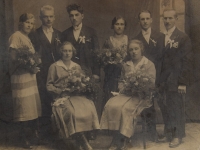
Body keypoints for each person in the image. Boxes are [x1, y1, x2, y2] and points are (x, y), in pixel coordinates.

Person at [100, 40, 156, 150]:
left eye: (136, 49)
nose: (134, 52)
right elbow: (121, 81)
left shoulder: (148, 64)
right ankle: (116, 137)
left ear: (141, 50)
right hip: (126, 94)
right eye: (131, 50)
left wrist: (138, 87)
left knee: (126, 109)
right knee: (112, 105)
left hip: (142, 96)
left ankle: (123, 138)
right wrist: (123, 87)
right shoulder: (126, 65)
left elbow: (151, 83)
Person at [46, 41, 100, 150]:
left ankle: (83, 139)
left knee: (89, 106)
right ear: (61, 52)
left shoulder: (76, 66)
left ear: (72, 52)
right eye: (65, 51)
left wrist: (80, 86)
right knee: (71, 112)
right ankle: (82, 141)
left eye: (69, 51)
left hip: (76, 96)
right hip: (62, 97)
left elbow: (81, 82)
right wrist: (61, 90)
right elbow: (49, 86)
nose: (67, 53)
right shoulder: (55, 66)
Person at [158, 9, 192, 148]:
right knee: (165, 106)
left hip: (176, 78)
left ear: (176, 19)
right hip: (163, 79)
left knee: (176, 107)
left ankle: (177, 136)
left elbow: (187, 61)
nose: (167, 21)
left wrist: (183, 82)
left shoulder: (183, 37)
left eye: (170, 18)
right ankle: (168, 132)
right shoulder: (161, 37)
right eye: (165, 18)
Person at [8, 13, 41, 149]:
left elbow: (29, 57)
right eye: (27, 22)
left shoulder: (27, 38)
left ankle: (32, 137)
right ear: (21, 23)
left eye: (32, 23)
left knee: (31, 106)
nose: (29, 25)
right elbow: (13, 58)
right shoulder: (16, 36)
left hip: (29, 77)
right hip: (21, 77)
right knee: (23, 107)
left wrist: (35, 64)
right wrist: (30, 66)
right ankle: (23, 139)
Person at [133, 10, 164, 141]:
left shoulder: (160, 36)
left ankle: (162, 132)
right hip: (144, 78)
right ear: (139, 21)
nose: (145, 21)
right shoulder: (136, 38)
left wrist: (160, 77)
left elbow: (164, 58)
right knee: (147, 103)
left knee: (160, 104)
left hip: (159, 74)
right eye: (142, 19)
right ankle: (150, 132)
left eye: (147, 19)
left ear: (151, 20)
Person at [29, 5, 61, 118]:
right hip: (42, 73)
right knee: (43, 98)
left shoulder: (59, 34)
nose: (48, 19)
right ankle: (44, 131)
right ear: (40, 18)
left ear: (54, 17)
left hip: (57, 73)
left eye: (51, 16)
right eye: (45, 17)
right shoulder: (34, 34)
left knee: (57, 99)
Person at [61, 3, 100, 80]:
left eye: (77, 15)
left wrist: (96, 73)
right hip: (71, 72)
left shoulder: (91, 32)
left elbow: (97, 54)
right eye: (71, 15)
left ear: (82, 16)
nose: (74, 18)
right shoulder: (65, 34)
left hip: (88, 70)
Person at [102, 16, 128, 113]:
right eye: (117, 24)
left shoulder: (128, 40)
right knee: (110, 99)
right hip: (111, 75)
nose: (119, 27)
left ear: (125, 26)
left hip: (125, 74)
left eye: (122, 24)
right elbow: (103, 60)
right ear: (113, 26)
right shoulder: (108, 41)